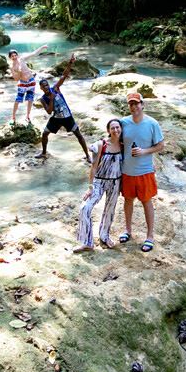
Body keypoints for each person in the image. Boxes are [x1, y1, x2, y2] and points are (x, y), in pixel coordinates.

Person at [118, 91, 164, 252]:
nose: (134, 106)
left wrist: (144, 151)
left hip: (145, 171)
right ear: (128, 106)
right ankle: (128, 230)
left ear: (142, 105)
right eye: (131, 104)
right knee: (128, 200)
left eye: (136, 103)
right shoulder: (123, 123)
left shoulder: (152, 124)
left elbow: (160, 146)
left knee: (146, 202)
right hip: (127, 171)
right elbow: (115, 139)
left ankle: (150, 236)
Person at [74, 118, 125, 252]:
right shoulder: (102, 145)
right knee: (85, 207)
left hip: (116, 182)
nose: (115, 130)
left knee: (110, 210)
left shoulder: (123, 144)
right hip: (99, 181)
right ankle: (87, 242)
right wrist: (90, 187)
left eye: (117, 127)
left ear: (121, 129)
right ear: (108, 130)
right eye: (112, 128)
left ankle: (104, 236)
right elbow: (94, 167)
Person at [35, 53, 91, 161]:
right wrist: (51, 99)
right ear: (41, 88)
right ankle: (44, 152)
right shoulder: (43, 99)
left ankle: (87, 155)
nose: (46, 87)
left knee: (78, 135)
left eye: (47, 85)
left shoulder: (55, 88)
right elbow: (49, 112)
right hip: (56, 118)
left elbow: (64, 76)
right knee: (45, 133)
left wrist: (70, 63)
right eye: (43, 86)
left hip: (67, 117)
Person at [8, 44, 46, 124]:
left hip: (31, 82)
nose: (14, 57)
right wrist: (19, 72)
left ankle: (28, 116)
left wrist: (42, 47)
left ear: (17, 55)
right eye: (12, 56)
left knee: (30, 99)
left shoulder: (22, 59)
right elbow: (16, 79)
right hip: (22, 83)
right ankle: (13, 117)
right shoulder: (12, 67)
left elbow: (34, 54)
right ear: (10, 58)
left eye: (15, 55)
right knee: (17, 100)